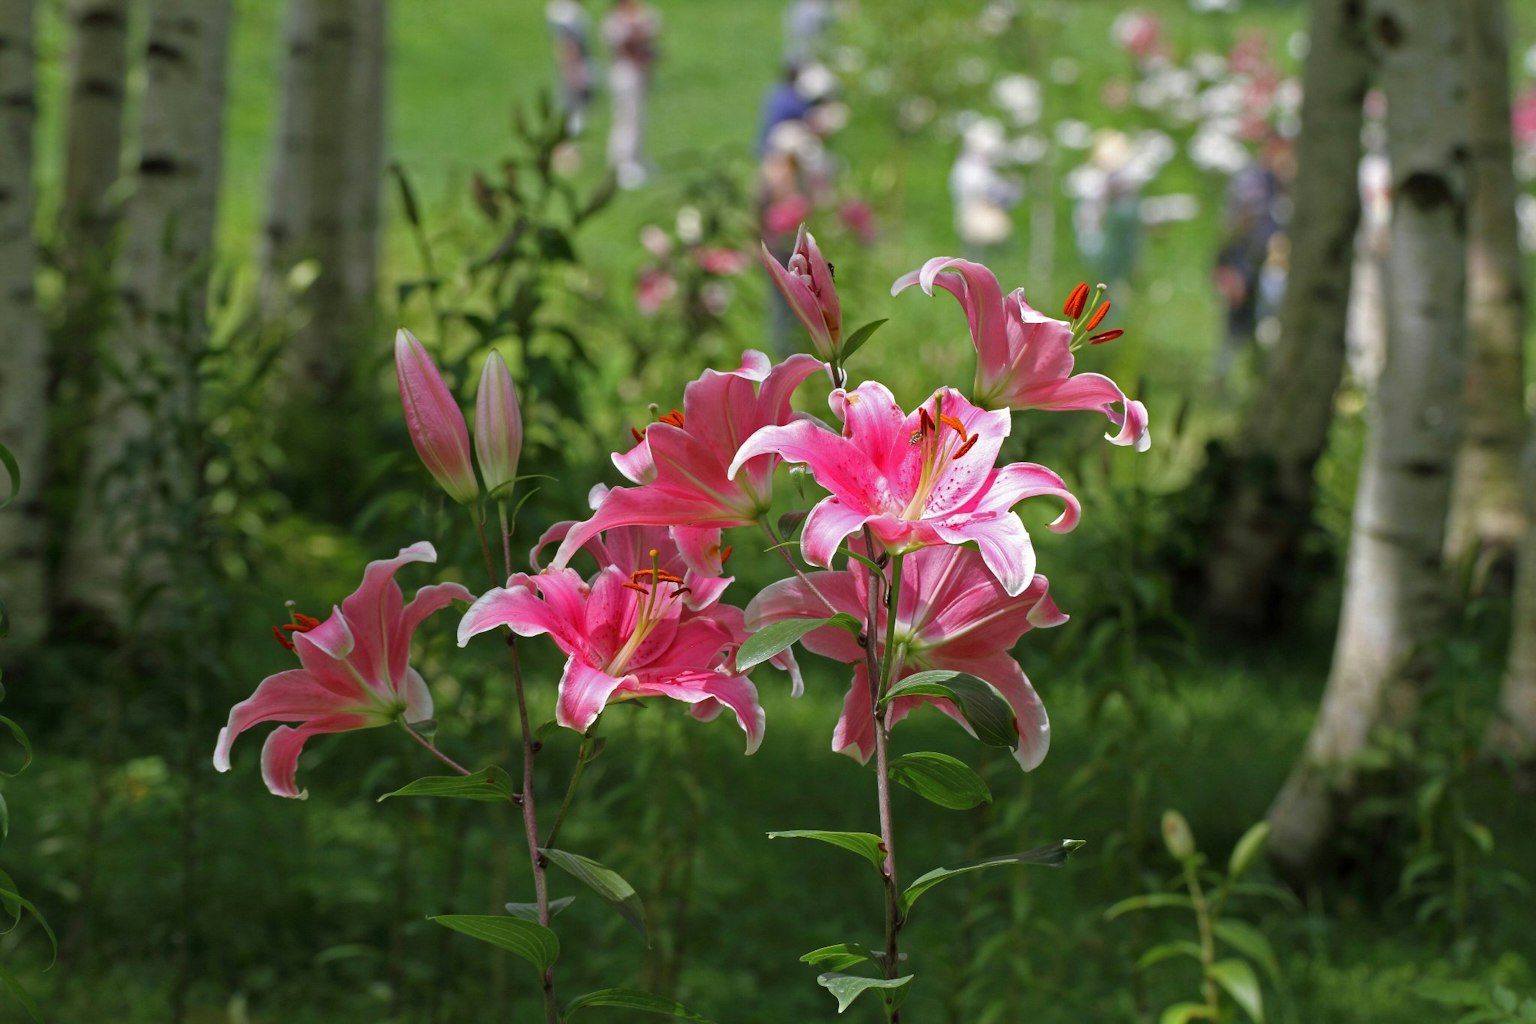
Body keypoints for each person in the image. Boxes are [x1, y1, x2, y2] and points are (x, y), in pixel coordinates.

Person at [1213, 132, 1292, 383]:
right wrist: (1227, 267)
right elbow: (1235, 227)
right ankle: (1221, 382)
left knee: (1270, 326)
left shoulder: (1287, 184)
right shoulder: (1251, 182)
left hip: (1274, 269)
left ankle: (1264, 380)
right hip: (1244, 264)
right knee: (1235, 330)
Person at [604, 0, 660, 189]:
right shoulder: (614, 21)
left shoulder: (636, 16)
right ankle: (622, 163)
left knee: (637, 119)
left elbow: (654, 27)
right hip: (625, 75)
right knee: (626, 120)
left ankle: (637, 158)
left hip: (638, 75)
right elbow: (626, 43)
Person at [546, 0, 594, 136]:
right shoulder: (565, 14)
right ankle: (567, 147)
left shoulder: (565, 11)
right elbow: (567, 45)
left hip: (576, 65)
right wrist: (574, 69)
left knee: (575, 106)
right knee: (572, 107)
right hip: (574, 66)